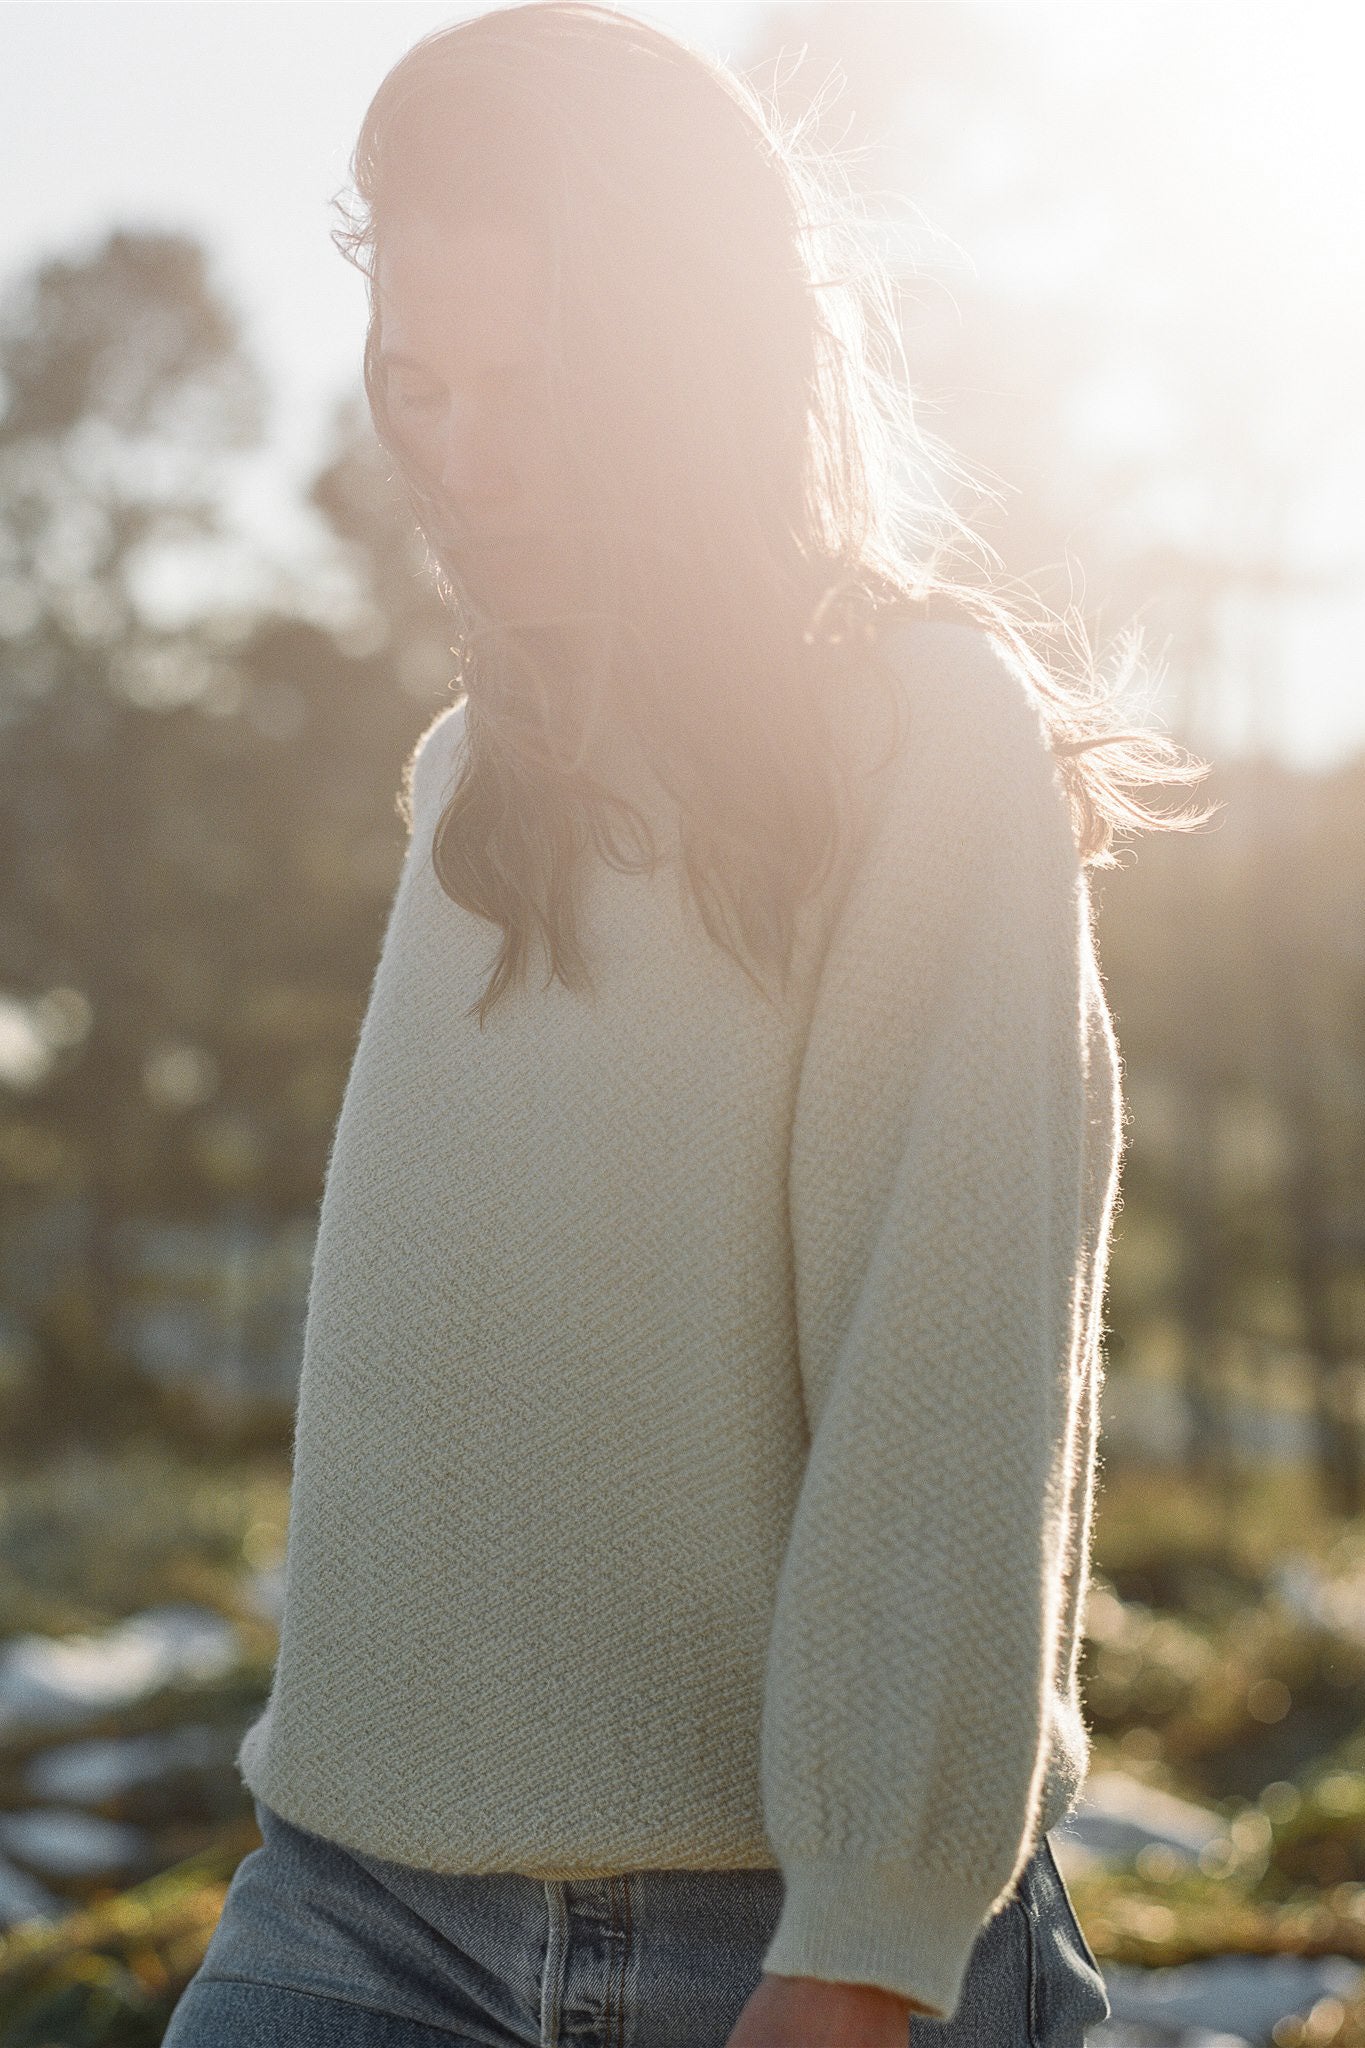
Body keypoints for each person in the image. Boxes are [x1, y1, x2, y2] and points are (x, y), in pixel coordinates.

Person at [162, 5, 1213, 2043]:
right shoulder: (472, 775)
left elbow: (946, 1388)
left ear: (690, 369)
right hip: (350, 1904)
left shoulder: (921, 742)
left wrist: (856, 1945)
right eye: (418, 383)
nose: (456, 458)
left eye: (532, 391)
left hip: (781, 1937)